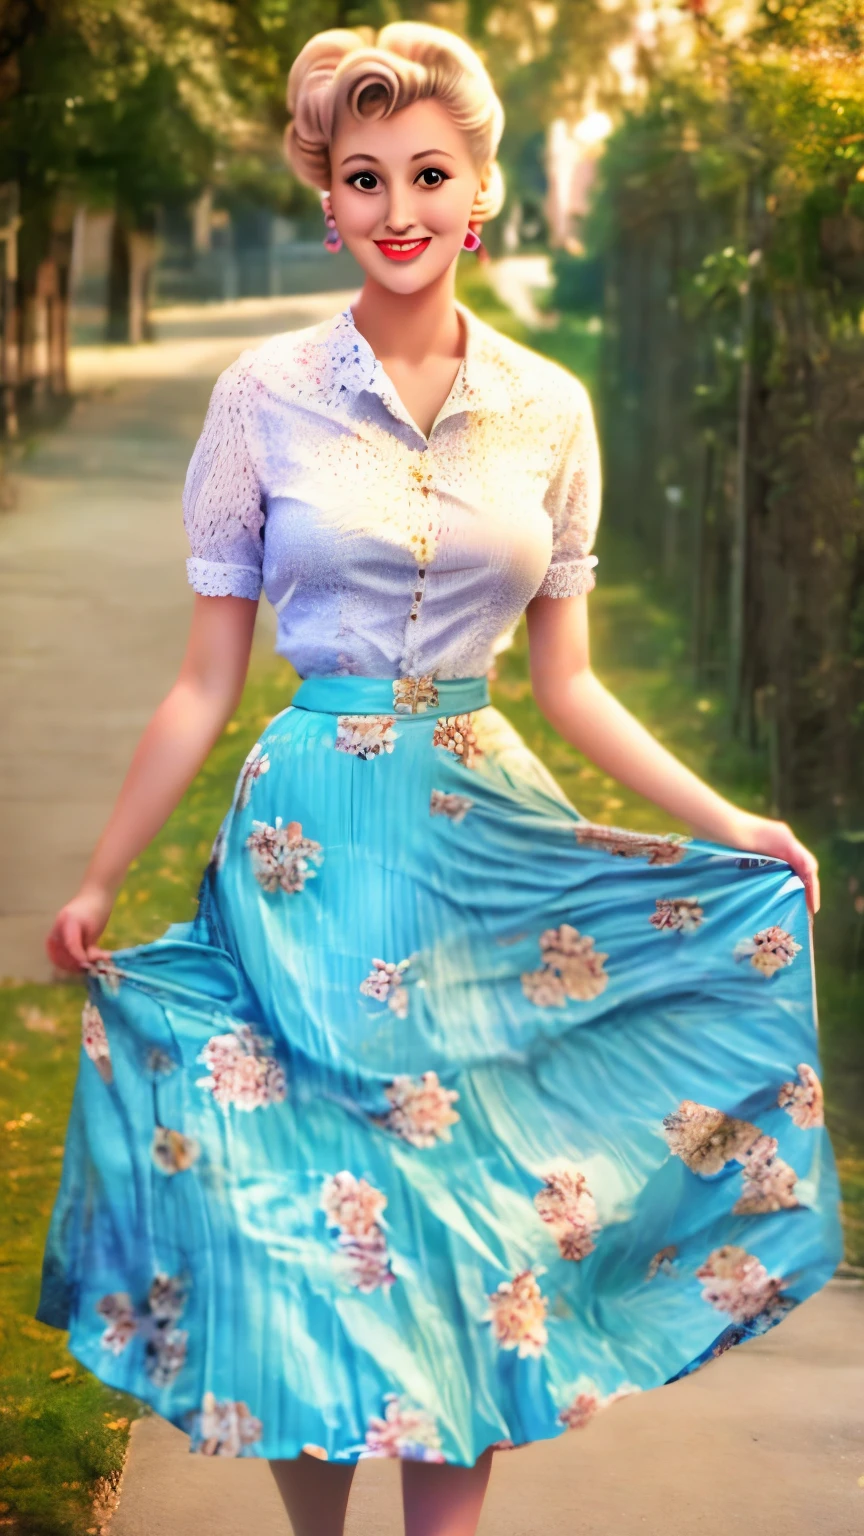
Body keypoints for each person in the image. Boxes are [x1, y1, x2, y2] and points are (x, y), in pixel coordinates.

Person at [37, 21, 842, 1536]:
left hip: (480, 846)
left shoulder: (551, 411)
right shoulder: (259, 400)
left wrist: (730, 825)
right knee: (302, 1226)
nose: (395, 207)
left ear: (480, 192)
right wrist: (96, 874)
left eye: (426, 173)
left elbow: (572, 681)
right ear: (327, 199)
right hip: (307, 853)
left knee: (465, 1231)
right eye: (361, 177)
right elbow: (205, 679)